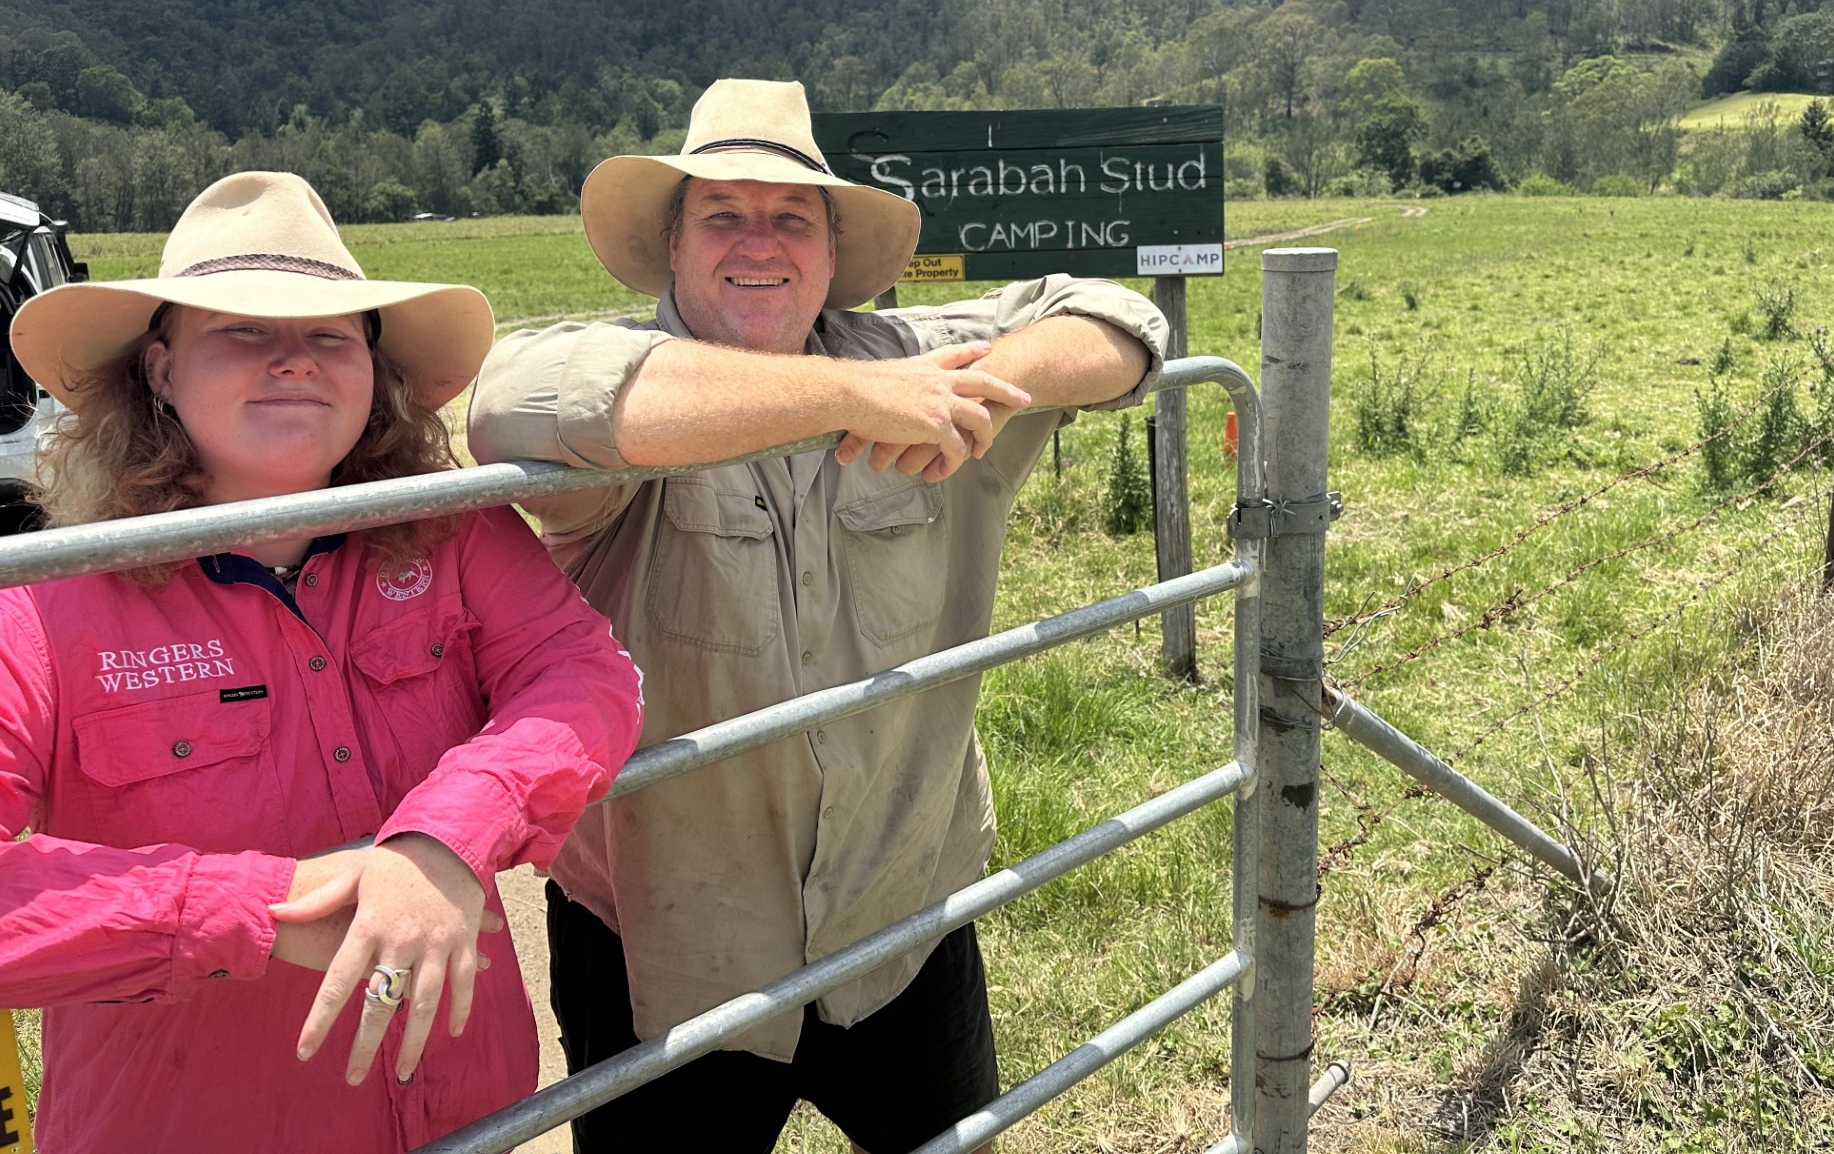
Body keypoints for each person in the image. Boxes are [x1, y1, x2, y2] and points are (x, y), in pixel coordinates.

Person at [468, 78, 1167, 1153]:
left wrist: (972, 396)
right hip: (663, 948)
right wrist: (844, 402)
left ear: (833, 254)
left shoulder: (916, 362)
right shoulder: (625, 395)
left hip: (899, 922)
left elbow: (1120, 317)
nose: (762, 243)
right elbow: (506, 399)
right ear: (672, 247)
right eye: (725, 216)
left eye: (794, 217)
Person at [0, 171, 643, 1153]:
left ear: (369, 371)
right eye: (246, 331)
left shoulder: (453, 535)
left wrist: (444, 840)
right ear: (162, 371)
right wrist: (264, 907)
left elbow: (582, 673)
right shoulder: (46, 604)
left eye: (330, 334)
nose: (294, 360)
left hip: (464, 1112)